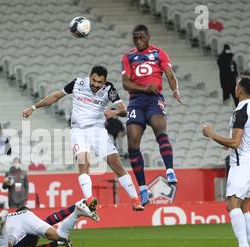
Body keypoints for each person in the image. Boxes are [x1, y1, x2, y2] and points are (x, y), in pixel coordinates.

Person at [23, 65, 143, 211]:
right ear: (89, 77)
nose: (96, 84)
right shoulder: (78, 83)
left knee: (116, 163)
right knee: (84, 163)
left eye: (100, 82)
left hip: (98, 131)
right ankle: (90, 199)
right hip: (78, 132)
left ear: (104, 81)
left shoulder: (109, 90)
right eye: (94, 80)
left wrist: (115, 112)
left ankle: (135, 199)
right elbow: (55, 96)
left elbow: (125, 110)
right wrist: (33, 108)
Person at [202, 76, 250, 247]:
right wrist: (235, 143)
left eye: (236, 85)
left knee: (231, 205)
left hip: (242, 165)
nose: (235, 87)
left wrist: (211, 134)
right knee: (243, 206)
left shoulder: (241, 111)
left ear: (239, 90)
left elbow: (236, 142)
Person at [121, 24, 182, 207]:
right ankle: (143, 189)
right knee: (132, 143)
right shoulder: (128, 57)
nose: (138, 41)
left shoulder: (159, 53)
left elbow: (170, 75)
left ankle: (170, 170)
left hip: (154, 99)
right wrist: (144, 88)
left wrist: (175, 90)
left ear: (148, 36)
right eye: (135, 38)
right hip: (136, 101)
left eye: (141, 37)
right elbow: (125, 83)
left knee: (160, 129)